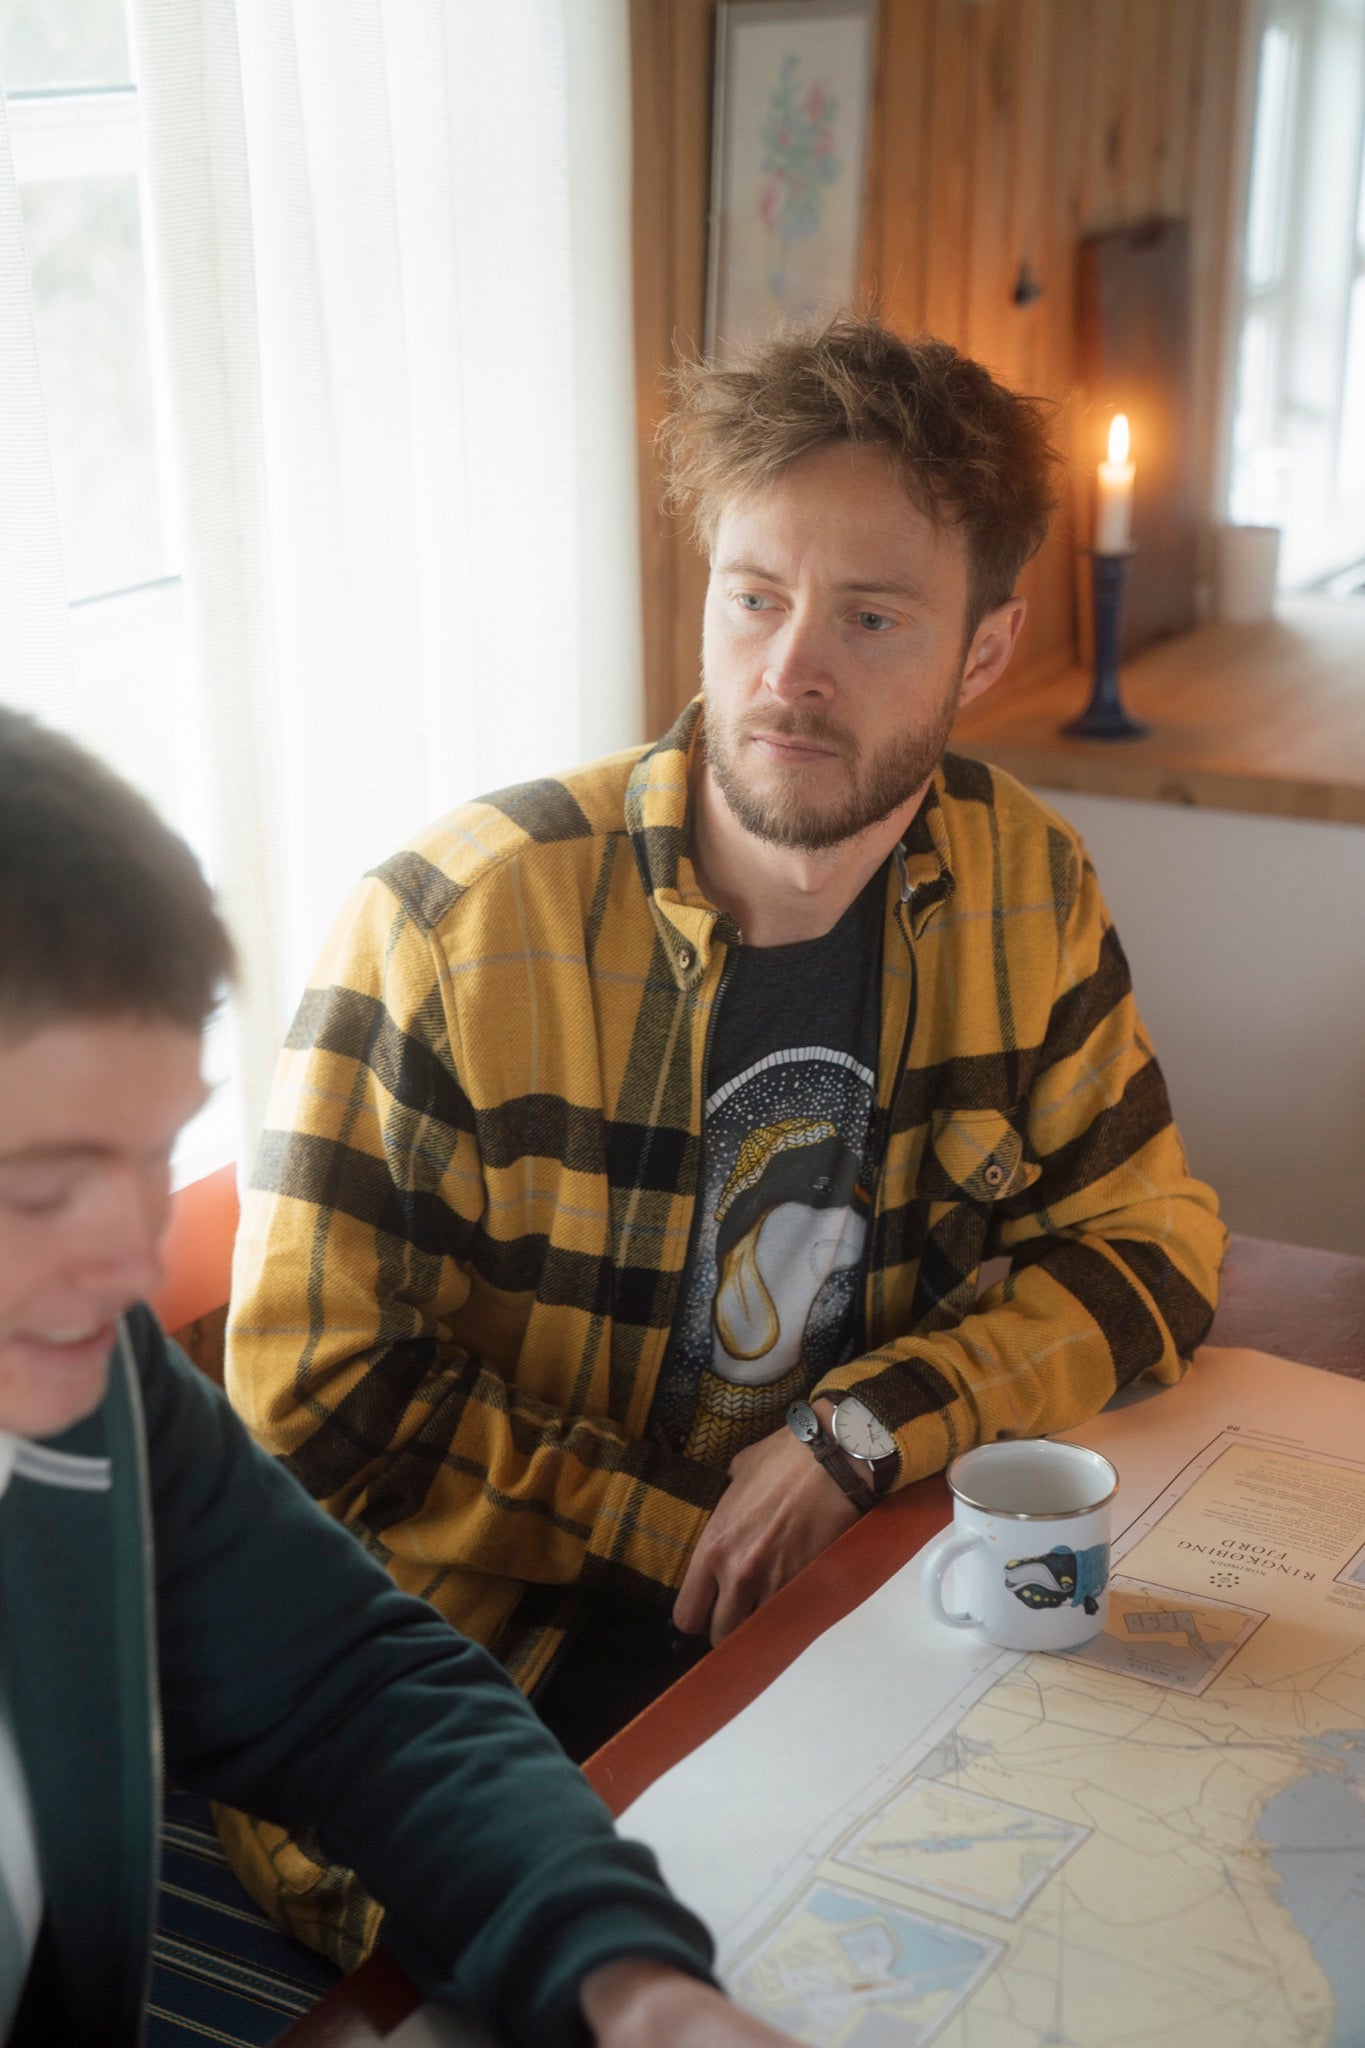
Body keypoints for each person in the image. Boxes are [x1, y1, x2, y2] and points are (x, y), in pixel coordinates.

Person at [225, 315, 1226, 1952]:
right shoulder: (454, 924)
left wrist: (855, 1436)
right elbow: (315, 1398)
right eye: (753, 597)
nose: (788, 673)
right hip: (467, 1672)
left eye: (870, 618)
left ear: (982, 652)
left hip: (854, 1598)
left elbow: (1149, 1247)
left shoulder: (1021, 882)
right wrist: (694, 1526)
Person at [0, 706, 796, 2047]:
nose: (135, 1261)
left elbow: (350, 1687)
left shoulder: (96, 1376)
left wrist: (629, 1985)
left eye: (155, 1156)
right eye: (42, 1187)